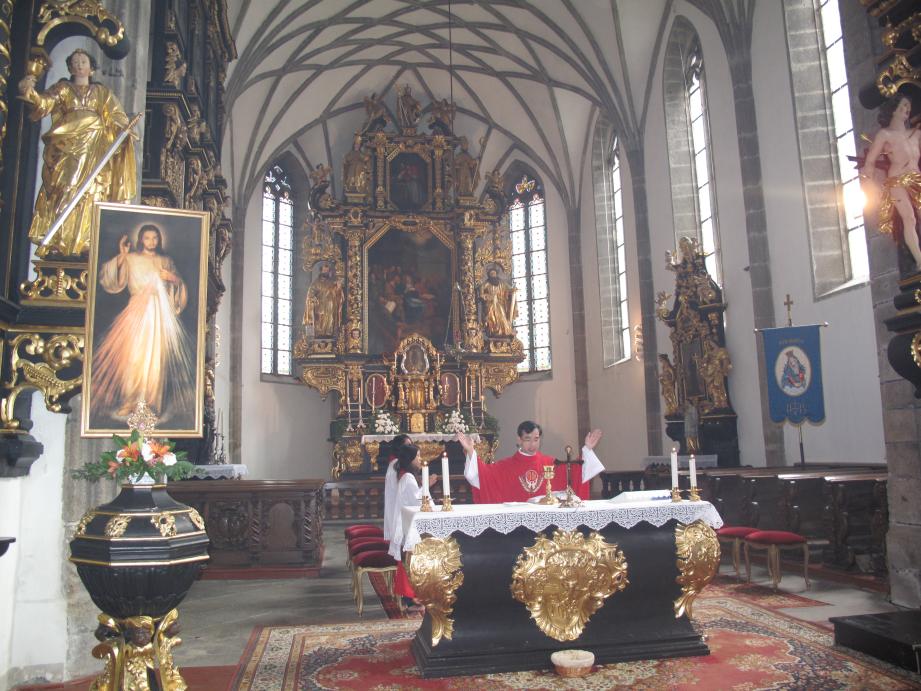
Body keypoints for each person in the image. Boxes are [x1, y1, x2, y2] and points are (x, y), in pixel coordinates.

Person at [19, 49, 137, 258]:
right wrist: (31, 92)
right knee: (65, 188)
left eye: (83, 61)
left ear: (91, 68)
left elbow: (117, 116)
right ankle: (59, 240)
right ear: (70, 68)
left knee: (91, 191)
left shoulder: (102, 93)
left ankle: (85, 241)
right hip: (68, 146)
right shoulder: (63, 89)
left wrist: (124, 130)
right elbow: (45, 103)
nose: (80, 64)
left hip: (94, 148)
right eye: (75, 61)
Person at [91, 224, 194, 421]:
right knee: (133, 357)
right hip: (137, 310)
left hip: (159, 313)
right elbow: (111, 278)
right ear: (141, 239)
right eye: (147, 238)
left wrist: (172, 278)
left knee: (156, 359)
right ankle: (130, 401)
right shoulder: (131, 258)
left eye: (155, 238)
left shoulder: (165, 261)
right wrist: (122, 255)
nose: (151, 242)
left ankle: (151, 403)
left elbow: (179, 286)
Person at [456, 422, 604, 503]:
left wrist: (587, 450)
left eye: (536, 439)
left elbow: (575, 472)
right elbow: (482, 476)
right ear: (519, 440)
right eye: (527, 439)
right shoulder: (505, 467)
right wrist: (471, 452)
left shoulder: (552, 463)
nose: (532, 444)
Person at [861, 95, 921, 270]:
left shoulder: (916, 134)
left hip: (917, 178)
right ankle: (919, 260)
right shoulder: (885, 135)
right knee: (909, 218)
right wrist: (870, 185)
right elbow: (870, 162)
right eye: (903, 105)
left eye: (908, 106)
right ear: (893, 110)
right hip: (897, 181)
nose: (907, 109)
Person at [385, 444, 438, 601]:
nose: (420, 459)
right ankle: (413, 599)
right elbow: (418, 502)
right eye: (418, 456)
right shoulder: (408, 478)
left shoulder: (406, 476)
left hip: (407, 525)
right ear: (410, 459)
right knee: (414, 563)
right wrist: (427, 485)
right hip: (408, 529)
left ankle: (412, 599)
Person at [382, 434, 412, 541]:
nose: (411, 449)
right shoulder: (397, 465)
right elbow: (406, 493)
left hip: (396, 508)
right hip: (398, 511)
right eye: (408, 445)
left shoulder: (395, 464)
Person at [303, 263, 344, 338]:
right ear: (321, 270)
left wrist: (338, 288)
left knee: (330, 321)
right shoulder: (316, 283)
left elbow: (338, 294)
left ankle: (329, 334)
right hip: (320, 306)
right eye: (324, 270)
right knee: (320, 321)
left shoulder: (332, 283)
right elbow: (310, 294)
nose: (326, 272)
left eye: (327, 270)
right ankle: (319, 334)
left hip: (331, 307)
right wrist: (313, 299)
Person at [479, 267, 517, 337]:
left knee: (502, 314)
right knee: (492, 314)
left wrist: (513, 290)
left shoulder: (502, 283)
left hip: (500, 303)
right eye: (491, 274)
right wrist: (490, 297)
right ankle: (494, 330)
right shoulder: (485, 284)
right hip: (490, 303)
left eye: (494, 273)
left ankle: (504, 330)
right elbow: (481, 295)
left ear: (496, 274)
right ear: (489, 275)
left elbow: (509, 289)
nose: (493, 275)